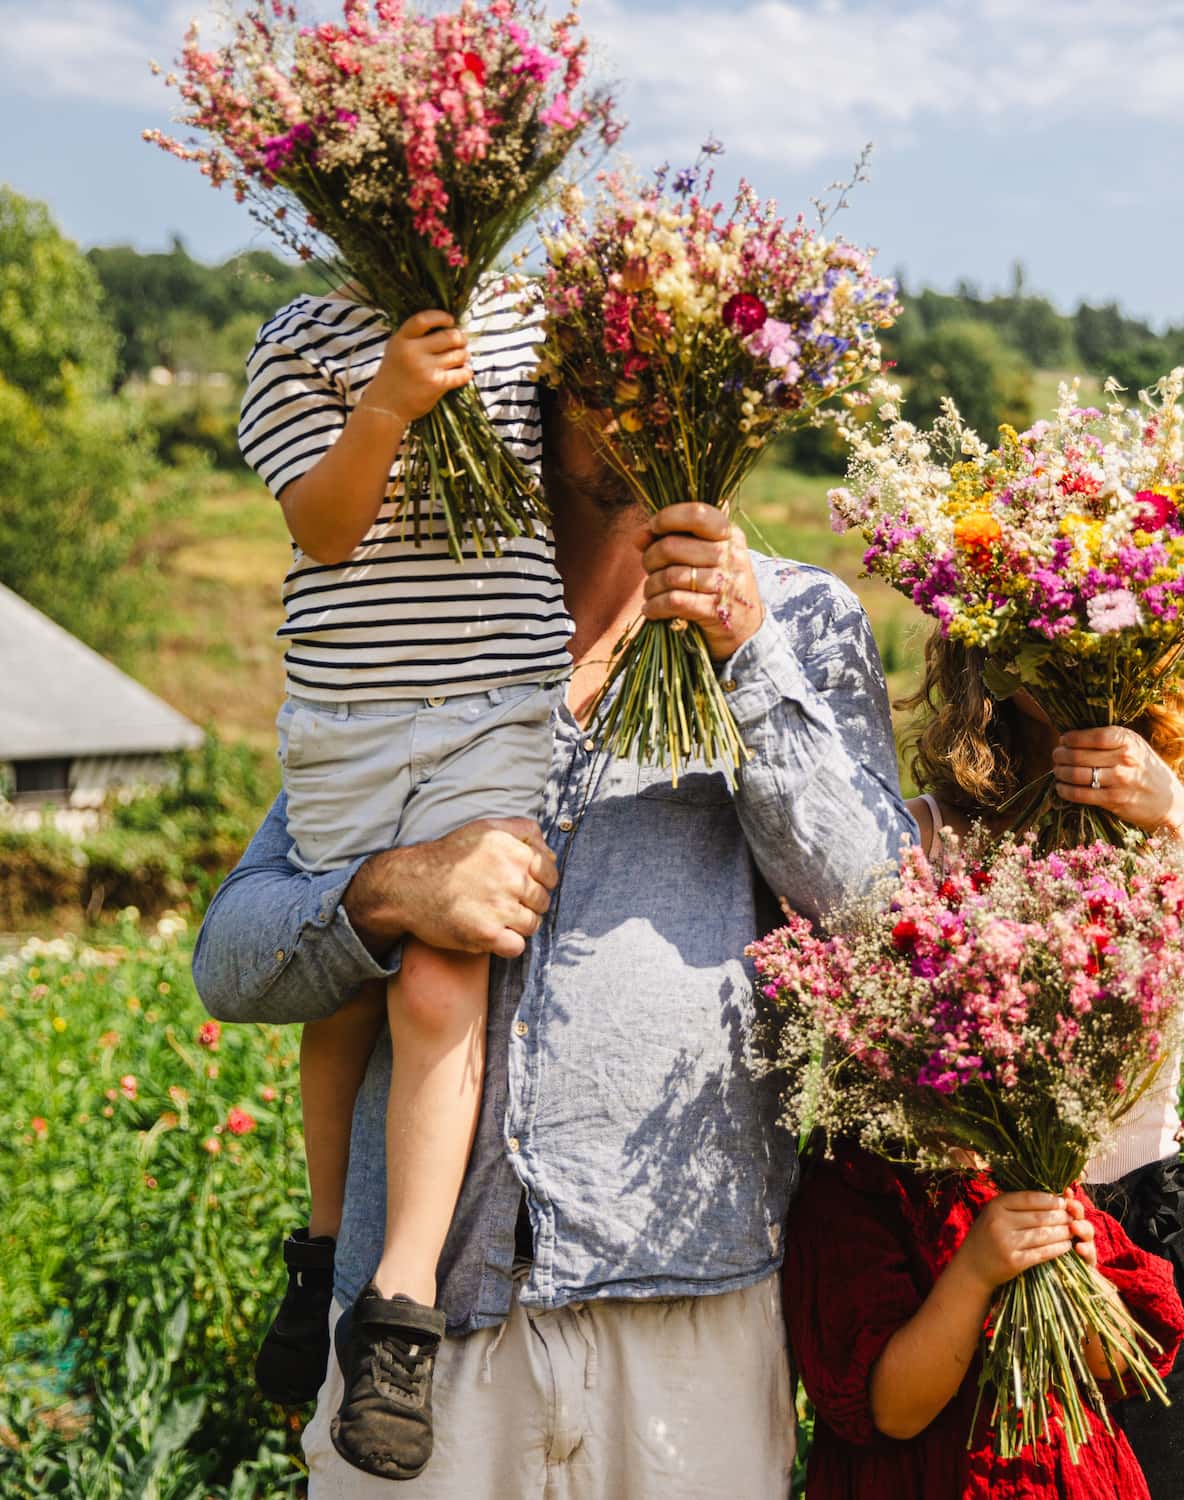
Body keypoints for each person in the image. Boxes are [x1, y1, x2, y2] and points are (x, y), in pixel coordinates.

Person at [194, 368, 917, 1495]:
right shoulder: (423, 615)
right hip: (421, 1331)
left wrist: (744, 651)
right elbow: (232, 956)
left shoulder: (801, 621)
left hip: (692, 1306)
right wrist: (388, 892)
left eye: (680, 360)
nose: (644, 400)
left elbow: (881, 915)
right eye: (607, 365)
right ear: (534, 385)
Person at [237, 280, 571, 1478]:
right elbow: (324, 529)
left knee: (441, 983)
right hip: (347, 719)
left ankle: (398, 1311)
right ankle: (322, 1252)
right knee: (342, 984)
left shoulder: (535, 315)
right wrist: (382, 402)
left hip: (499, 712)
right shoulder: (300, 339)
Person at [902, 637, 1184, 1499]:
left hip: (1138, 1243)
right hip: (976, 1249)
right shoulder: (933, 836)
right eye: (1047, 624)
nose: (1078, 641)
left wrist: (1178, 820)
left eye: (1106, 621)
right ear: (989, 648)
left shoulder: (1171, 827)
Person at [782, 1150, 1184, 1498]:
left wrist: (1087, 1282)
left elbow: (1112, 1367)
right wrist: (975, 1274)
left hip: (1070, 1474)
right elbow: (896, 1412)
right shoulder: (854, 1190)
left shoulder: (1034, 1167)